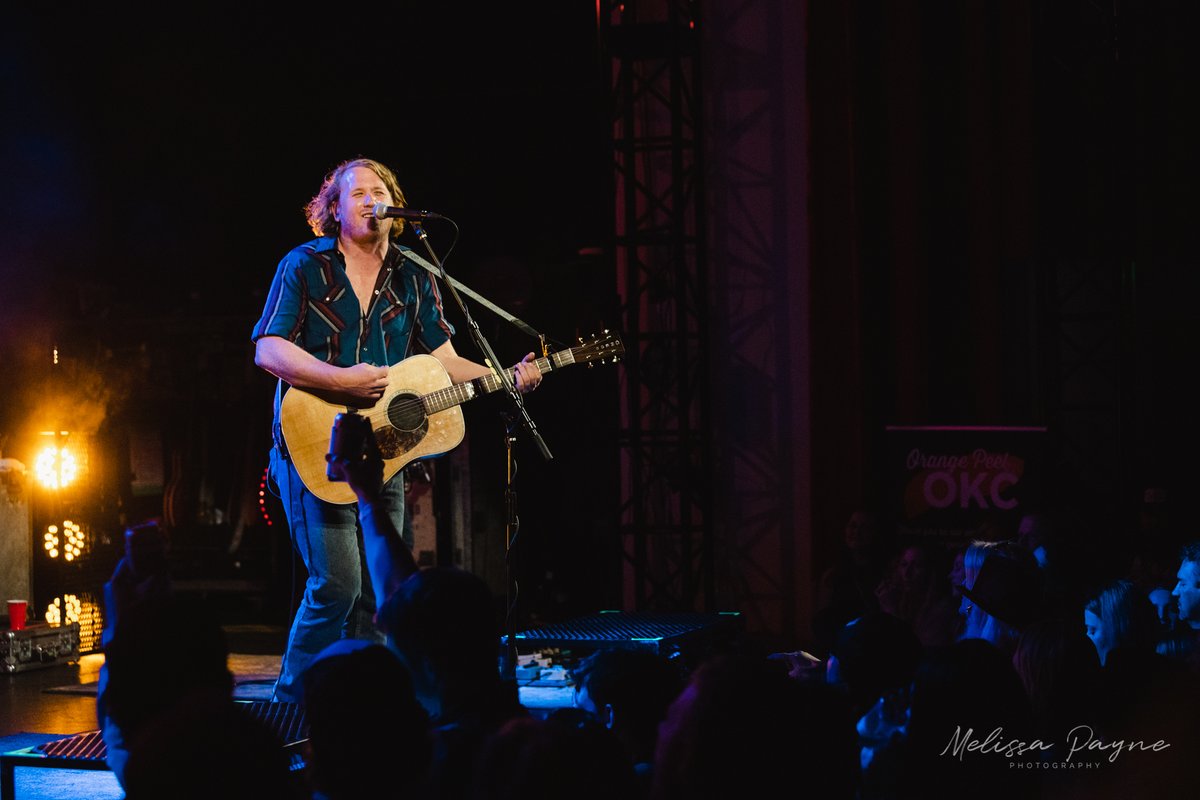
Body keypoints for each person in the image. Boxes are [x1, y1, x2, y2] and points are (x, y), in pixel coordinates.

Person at [251, 156, 542, 703]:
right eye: (355, 192)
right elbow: (269, 347)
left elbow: (444, 358)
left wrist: (504, 379)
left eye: (377, 189)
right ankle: (291, 703)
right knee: (337, 587)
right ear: (333, 210)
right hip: (313, 443)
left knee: (380, 597)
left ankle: (358, 703)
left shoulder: (413, 273)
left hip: (382, 451)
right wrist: (340, 379)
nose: (368, 198)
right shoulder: (304, 265)